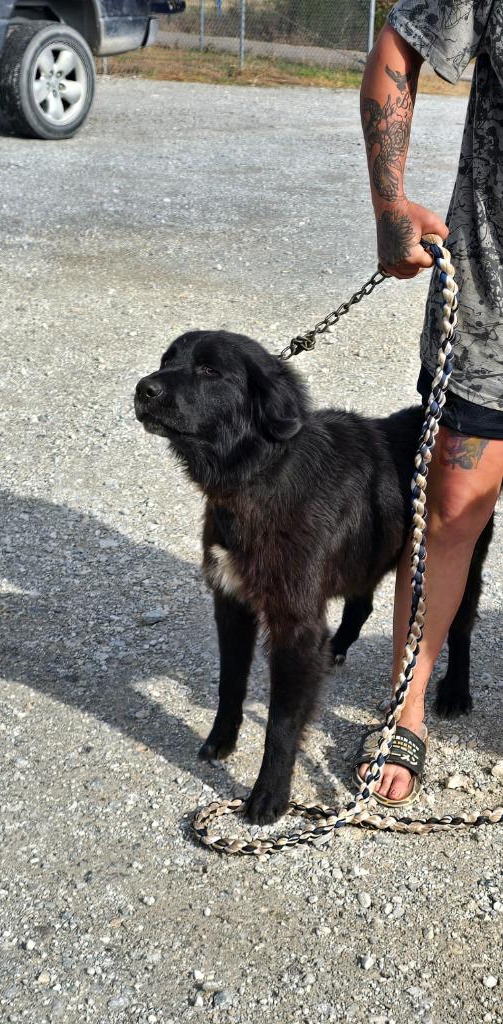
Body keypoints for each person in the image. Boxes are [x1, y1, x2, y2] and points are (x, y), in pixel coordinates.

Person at [356, 0, 503, 805]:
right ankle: (407, 703)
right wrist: (389, 207)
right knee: (450, 508)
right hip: (493, 298)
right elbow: (398, 48)